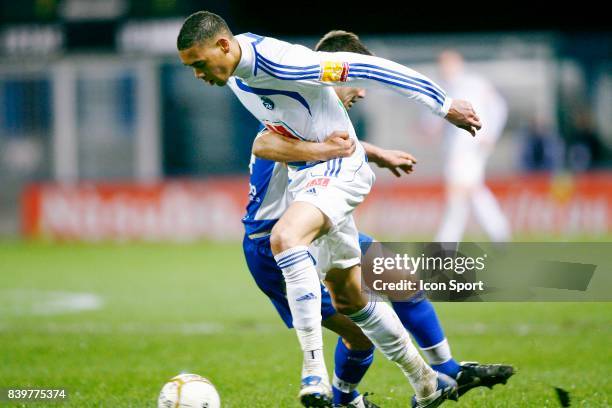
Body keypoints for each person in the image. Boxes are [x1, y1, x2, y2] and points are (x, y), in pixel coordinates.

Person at [177, 12, 481, 408]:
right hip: (309, 185)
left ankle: (315, 373)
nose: (197, 75)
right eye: (191, 67)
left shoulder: (284, 63)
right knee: (351, 301)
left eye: (199, 64)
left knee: (287, 238)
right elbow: (273, 139)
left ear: (222, 46)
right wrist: (364, 151)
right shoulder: (235, 69)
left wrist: (443, 105)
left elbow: (370, 67)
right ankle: (428, 384)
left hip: (335, 177)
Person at [246, 31, 514, 408]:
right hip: (277, 245)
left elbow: (333, 149)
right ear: (332, 76)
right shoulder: (292, 113)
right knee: (360, 331)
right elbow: (268, 143)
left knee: (399, 277)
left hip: (317, 229)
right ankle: (344, 400)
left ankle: (448, 370)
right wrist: (353, 152)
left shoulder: (319, 116)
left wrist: (376, 153)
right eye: (355, 82)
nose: (362, 92)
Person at [434, 50, 511, 243]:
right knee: (473, 190)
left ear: (457, 64)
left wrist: (491, 134)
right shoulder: (448, 86)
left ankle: (447, 241)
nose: (443, 69)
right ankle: (499, 231)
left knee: (458, 192)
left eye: (446, 64)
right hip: (460, 148)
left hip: (469, 146)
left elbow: (499, 107)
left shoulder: (473, 84)